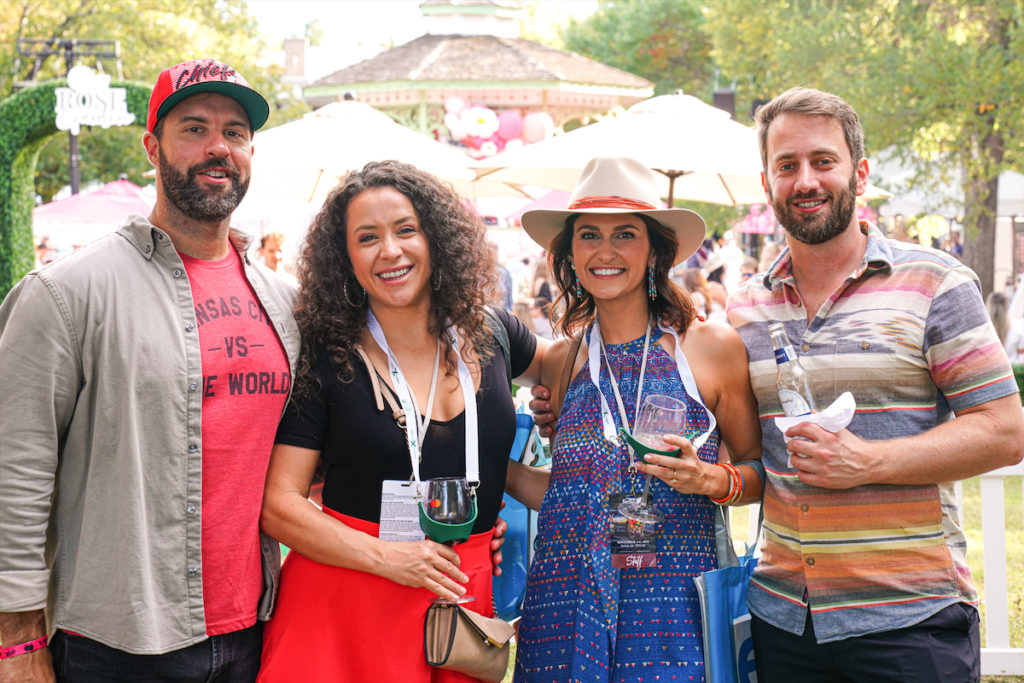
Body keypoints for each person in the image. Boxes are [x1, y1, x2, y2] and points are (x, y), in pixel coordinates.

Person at [0, 58, 299, 682]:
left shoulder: (285, 302)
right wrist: (16, 645)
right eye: (194, 128)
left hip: (256, 631)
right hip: (117, 641)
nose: (218, 147)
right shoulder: (65, 293)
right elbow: (14, 475)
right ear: (151, 147)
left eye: (236, 133)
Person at [727, 86, 1024, 682]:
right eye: (787, 165)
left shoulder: (936, 283)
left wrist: (869, 461)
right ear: (767, 183)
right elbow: (738, 446)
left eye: (823, 161)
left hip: (910, 619)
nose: (805, 180)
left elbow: (1006, 432)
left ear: (858, 173)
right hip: (786, 623)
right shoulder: (745, 309)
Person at [256, 160, 549, 681]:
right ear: (345, 258)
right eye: (367, 238)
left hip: (461, 597)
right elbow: (279, 506)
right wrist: (389, 560)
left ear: (436, 238)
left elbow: (587, 366)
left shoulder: (493, 332)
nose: (390, 251)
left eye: (406, 230)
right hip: (346, 603)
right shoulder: (329, 354)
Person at [509, 156, 764, 682]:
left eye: (624, 234)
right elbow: (567, 492)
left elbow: (760, 473)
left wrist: (712, 478)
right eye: (588, 236)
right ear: (569, 253)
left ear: (653, 250)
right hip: (563, 604)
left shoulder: (707, 348)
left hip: (672, 609)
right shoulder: (563, 361)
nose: (605, 251)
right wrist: (498, 468)